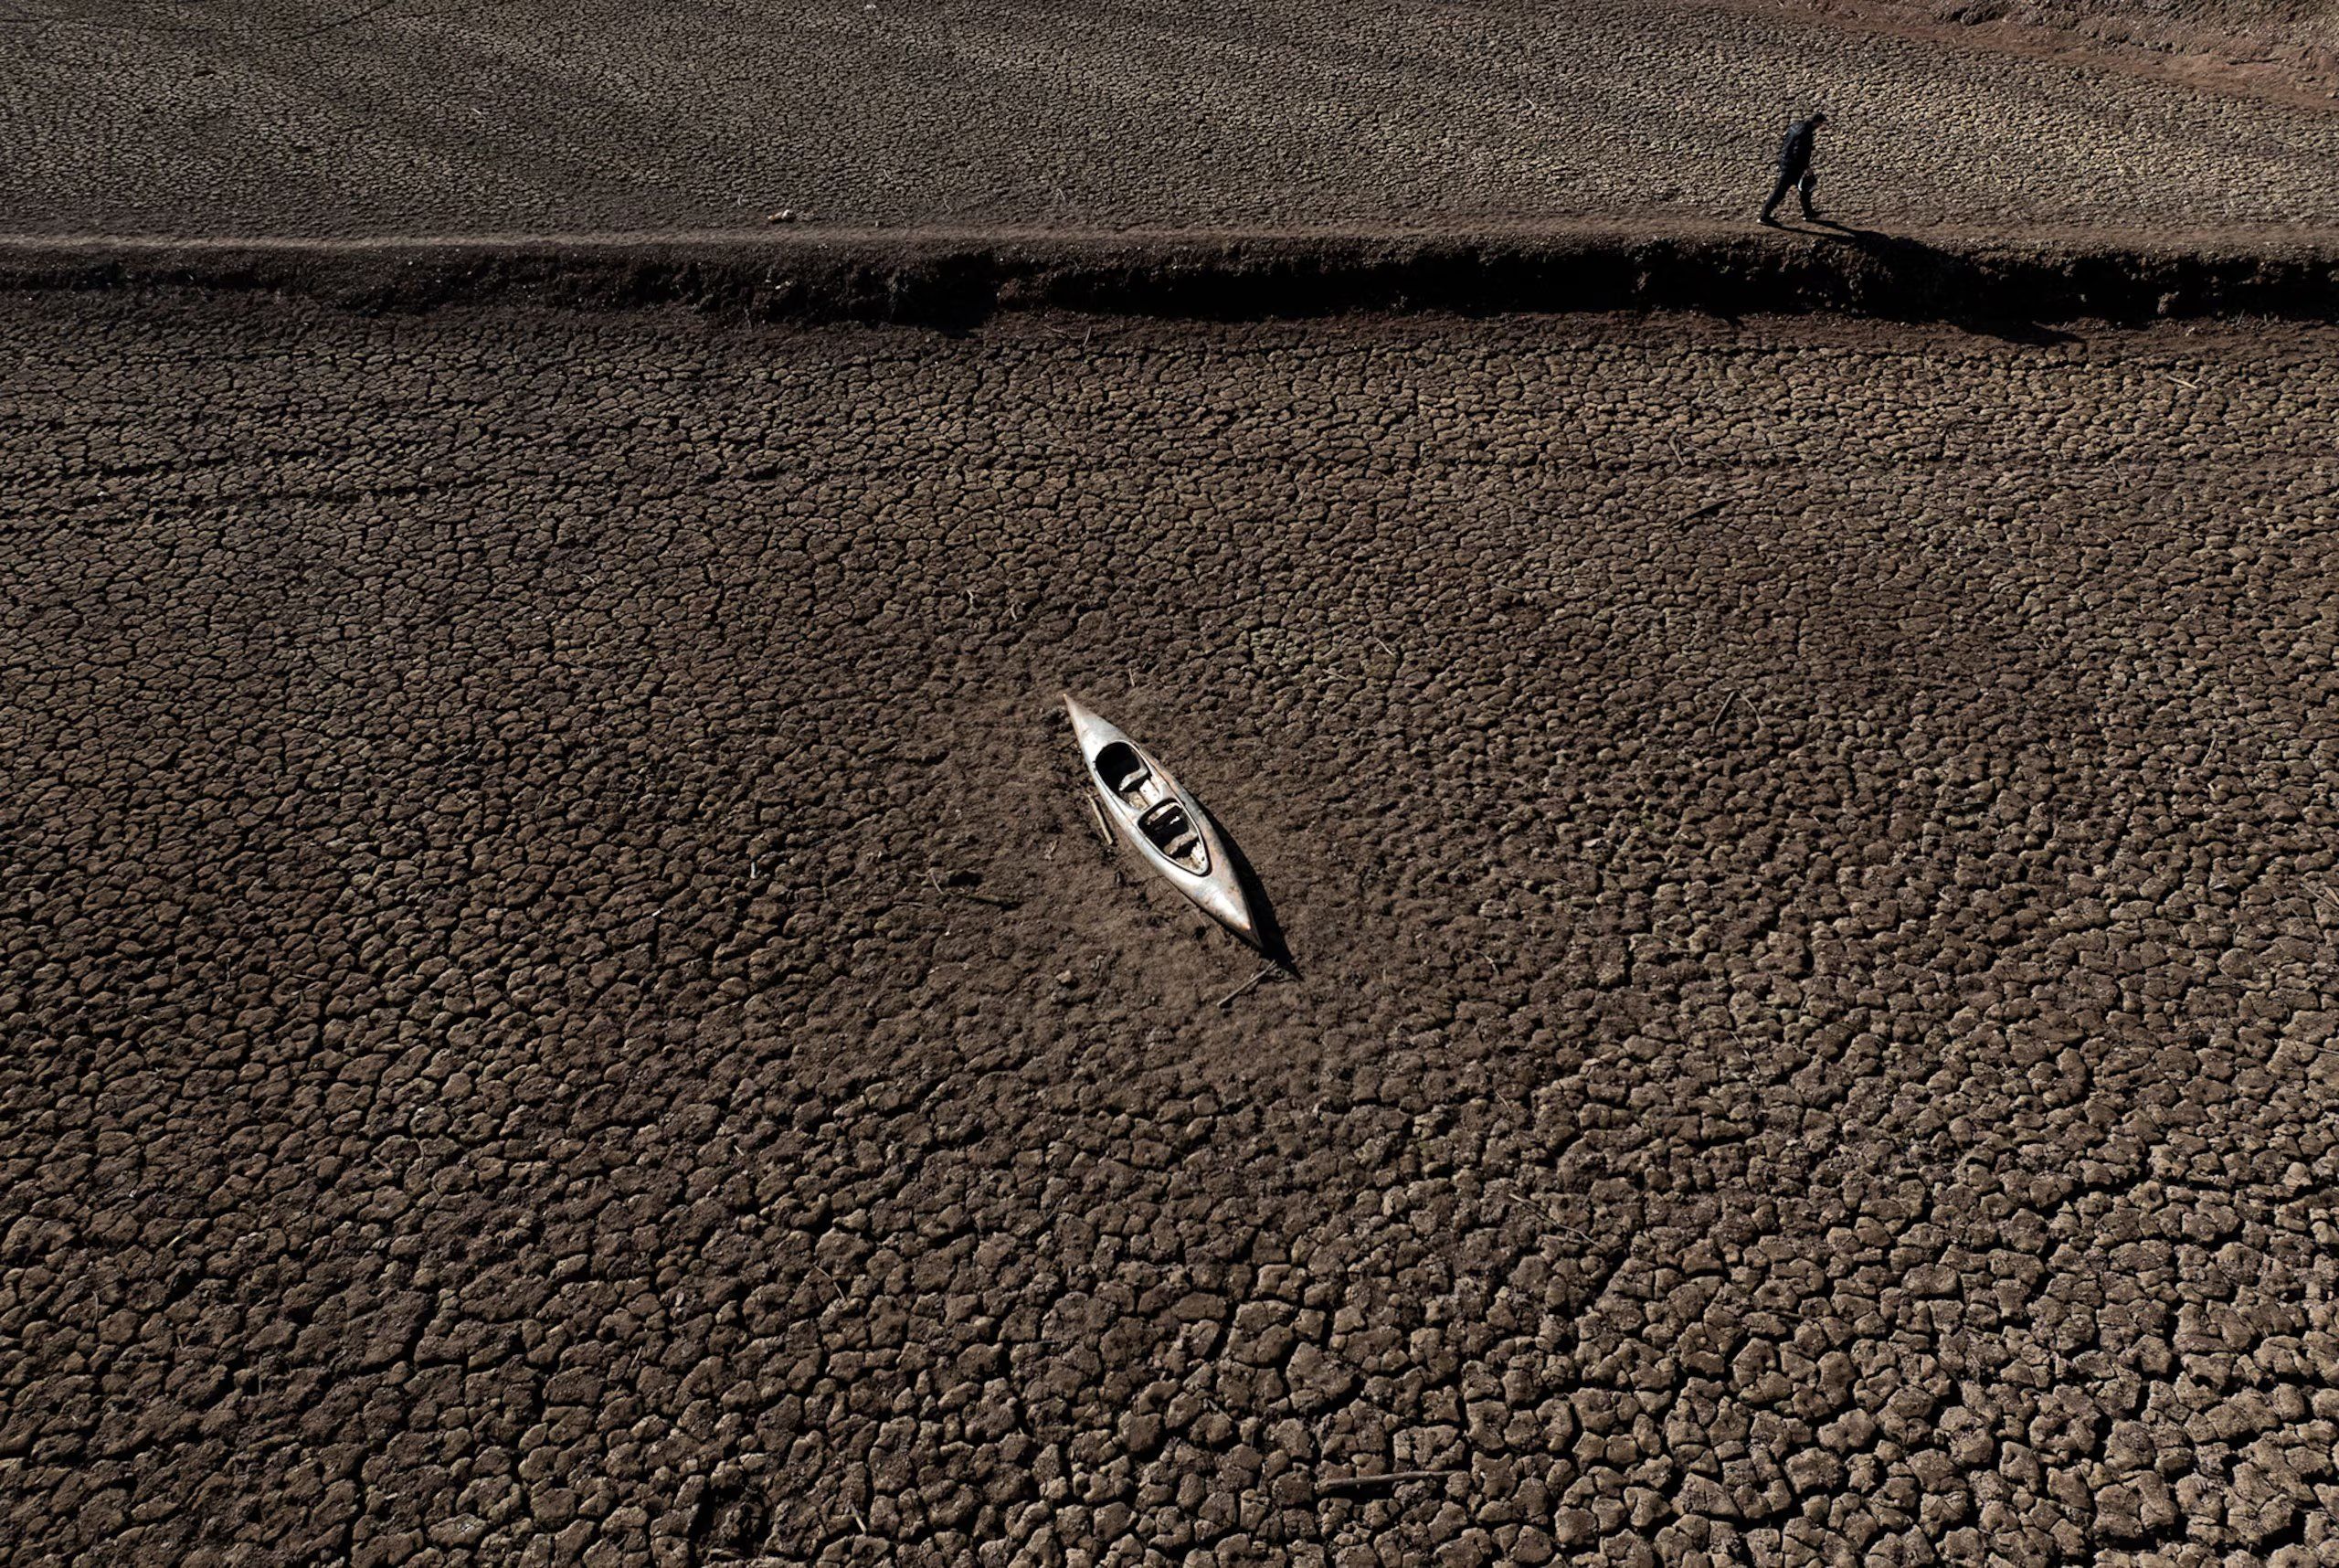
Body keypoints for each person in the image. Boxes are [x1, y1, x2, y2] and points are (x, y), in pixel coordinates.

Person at [1759, 111, 1827, 226]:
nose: (1820, 126)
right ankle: (1764, 216)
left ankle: (1808, 213)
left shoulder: (1796, 125)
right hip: (1793, 167)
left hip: (1786, 162)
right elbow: (1800, 152)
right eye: (1820, 124)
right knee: (1780, 191)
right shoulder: (1806, 133)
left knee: (1805, 187)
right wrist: (1806, 167)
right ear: (1817, 122)